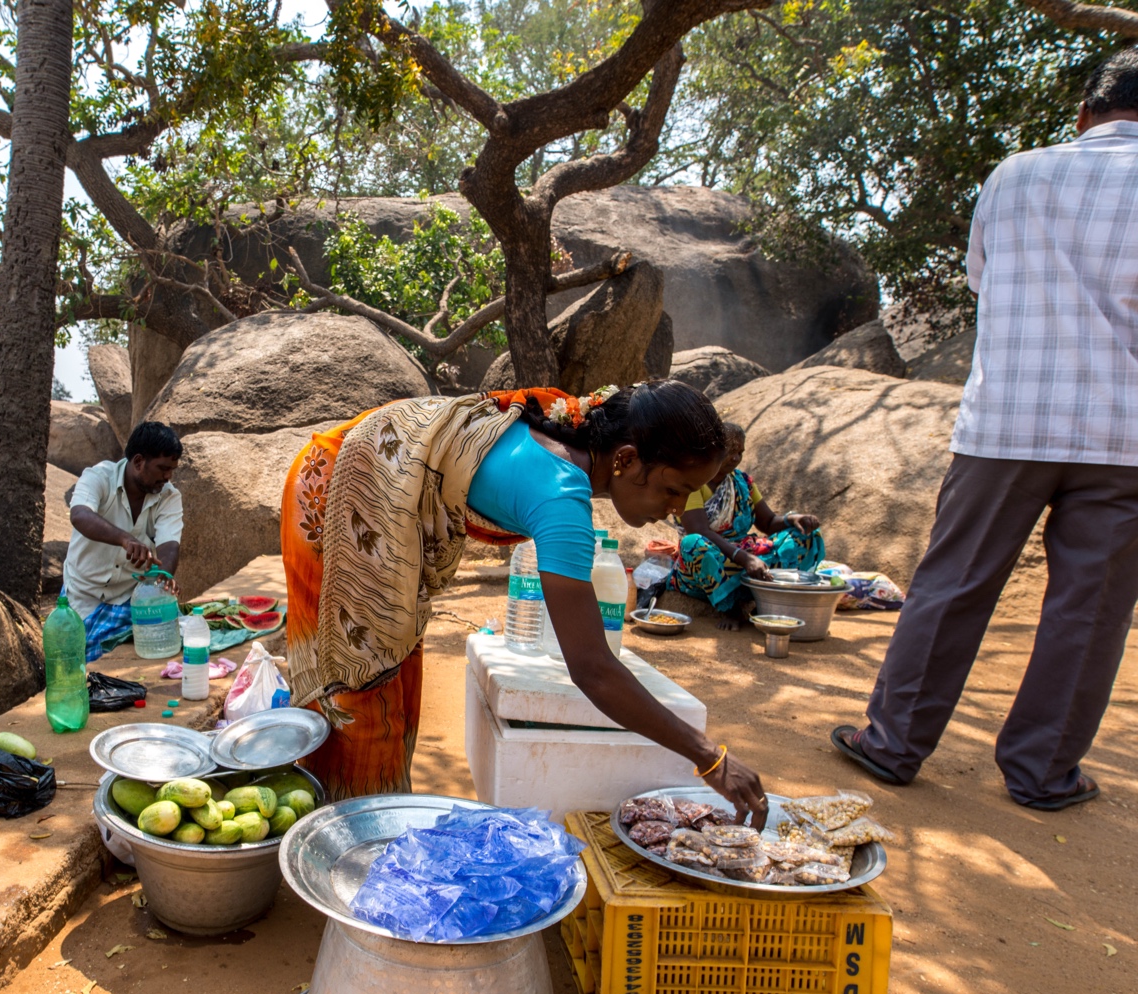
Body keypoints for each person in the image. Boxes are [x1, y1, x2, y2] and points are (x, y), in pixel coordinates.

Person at [833, 47, 1138, 811]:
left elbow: (982, 276)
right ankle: (1043, 771)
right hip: (1124, 435)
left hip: (1007, 418)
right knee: (1090, 607)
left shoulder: (1016, 174)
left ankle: (894, 742)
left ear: (1084, 115)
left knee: (953, 581)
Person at [280, 380, 770, 823]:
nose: (676, 510)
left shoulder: (576, 432)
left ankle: (365, 818)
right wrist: (709, 756)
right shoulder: (561, 500)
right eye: (673, 490)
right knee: (361, 692)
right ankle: (346, 839)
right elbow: (593, 668)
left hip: (380, 471)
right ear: (623, 460)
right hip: (338, 485)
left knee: (398, 680)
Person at [671, 423, 824, 629]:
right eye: (730, 452)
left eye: (740, 452)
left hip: (744, 561)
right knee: (693, 543)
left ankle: (766, 601)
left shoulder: (742, 482)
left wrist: (792, 520)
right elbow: (700, 531)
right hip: (706, 567)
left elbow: (768, 523)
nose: (736, 458)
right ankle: (730, 607)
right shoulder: (693, 483)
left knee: (805, 536)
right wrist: (745, 558)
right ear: (713, 450)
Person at [63, 421, 184, 661]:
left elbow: (169, 544)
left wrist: (164, 577)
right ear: (138, 462)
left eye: (172, 469)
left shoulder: (169, 496)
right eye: (162, 468)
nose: (168, 476)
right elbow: (79, 515)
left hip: (129, 601)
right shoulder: (99, 476)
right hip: (83, 597)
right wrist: (125, 539)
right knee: (84, 674)